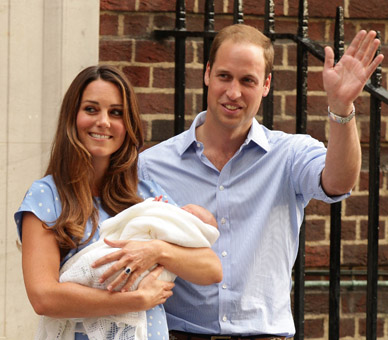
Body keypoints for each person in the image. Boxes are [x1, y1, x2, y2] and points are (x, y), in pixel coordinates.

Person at [138, 24, 384, 339]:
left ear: (266, 85)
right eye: (224, 76)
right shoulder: (151, 166)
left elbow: (338, 182)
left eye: (248, 81)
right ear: (208, 73)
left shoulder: (290, 154)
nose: (233, 92)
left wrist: (341, 108)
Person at [14, 65, 222, 340]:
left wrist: (156, 250)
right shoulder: (47, 196)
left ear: (128, 124)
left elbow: (211, 268)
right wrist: (134, 301)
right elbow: (43, 297)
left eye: (116, 113)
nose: (103, 121)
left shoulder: (145, 193)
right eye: (91, 109)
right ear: (72, 117)